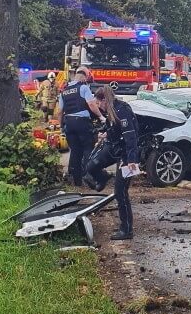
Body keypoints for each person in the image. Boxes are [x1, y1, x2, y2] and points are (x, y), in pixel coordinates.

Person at [83, 85, 140, 241]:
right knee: (91, 166)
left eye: (99, 104)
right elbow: (114, 129)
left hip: (127, 155)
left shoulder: (122, 111)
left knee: (120, 192)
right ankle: (103, 178)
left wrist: (132, 162)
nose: (99, 107)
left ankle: (126, 229)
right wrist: (105, 134)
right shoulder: (111, 111)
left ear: (104, 100)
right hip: (115, 148)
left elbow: (131, 138)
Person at [57, 66, 106, 187]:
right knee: (87, 148)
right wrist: (101, 117)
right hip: (82, 123)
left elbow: (59, 111)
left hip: (69, 123)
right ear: (85, 76)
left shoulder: (64, 91)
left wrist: (61, 126)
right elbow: (92, 104)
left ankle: (76, 181)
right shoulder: (83, 88)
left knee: (75, 151)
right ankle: (89, 176)